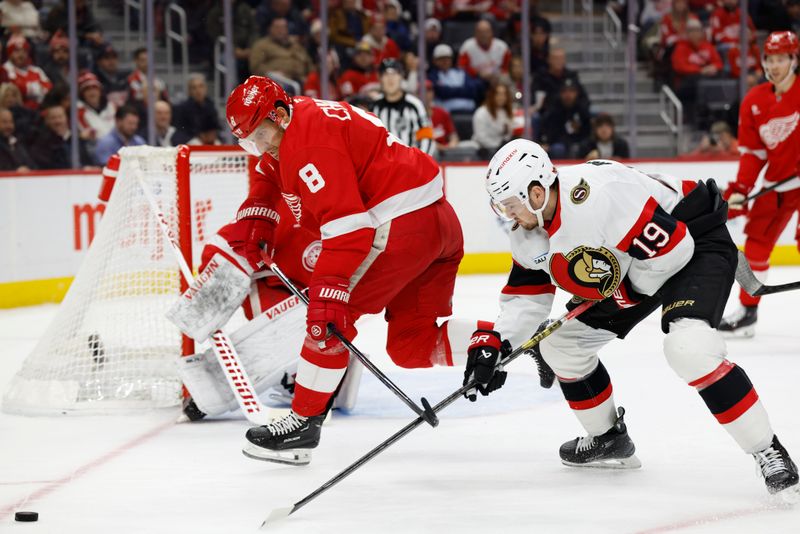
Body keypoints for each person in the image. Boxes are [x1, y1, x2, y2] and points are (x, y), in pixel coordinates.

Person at [465, 138, 799, 498]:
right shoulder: (528, 233)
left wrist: (623, 293)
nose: (508, 215)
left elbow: (673, 251)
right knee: (561, 346)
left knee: (689, 348)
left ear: (536, 192)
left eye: (510, 204)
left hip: (693, 241)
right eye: (500, 207)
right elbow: (526, 298)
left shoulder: (597, 196)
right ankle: (609, 439)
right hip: (633, 267)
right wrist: (495, 344)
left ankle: (767, 449)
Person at [225, 76, 471, 465]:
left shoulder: (308, 145)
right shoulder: (296, 117)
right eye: (248, 140)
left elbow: (348, 228)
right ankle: (504, 340)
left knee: (327, 322)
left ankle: (303, 424)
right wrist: (260, 211)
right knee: (411, 344)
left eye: (261, 133)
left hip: (400, 226)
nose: (259, 146)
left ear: (279, 115)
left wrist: (330, 288)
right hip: (434, 222)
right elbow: (271, 167)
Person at [719, 31, 800, 337]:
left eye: (781, 58)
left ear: (793, 60)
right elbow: (753, 153)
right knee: (755, 246)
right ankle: (748, 311)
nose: (774, 65)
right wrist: (741, 188)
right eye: (770, 59)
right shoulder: (754, 100)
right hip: (779, 185)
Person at [371, 58, 434, 155]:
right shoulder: (374, 106)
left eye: (394, 74)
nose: (390, 79)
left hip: (410, 166)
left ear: (401, 76)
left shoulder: (415, 105)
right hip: (381, 167)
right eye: (386, 74)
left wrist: (418, 164)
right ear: (380, 78)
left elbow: (427, 138)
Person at [248, 17, 313, 83]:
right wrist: (273, 74)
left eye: (284, 27)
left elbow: (309, 64)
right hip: (277, 82)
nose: (281, 30)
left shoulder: (296, 45)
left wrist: (311, 78)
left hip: (302, 80)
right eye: (277, 27)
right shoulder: (261, 45)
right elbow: (255, 67)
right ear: (270, 29)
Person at [28, 105, 93, 169]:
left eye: (60, 117)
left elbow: (87, 161)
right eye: (53, 118)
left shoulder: (76, 139)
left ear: (66, 118)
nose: (58, 121)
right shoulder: (41, 142)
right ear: (47, 121)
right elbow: (45, 165)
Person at [1, 34, 52, 110]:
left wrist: (26, 88)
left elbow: (49, 89)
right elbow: (16, 90)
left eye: (24, 51)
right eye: (16, 51)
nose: (21, 55)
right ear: (9, 53)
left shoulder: (36, 70)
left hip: (38, 109)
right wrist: (37, 89)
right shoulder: (4, 70)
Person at [427, 44, 482, 114]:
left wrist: (450, 91)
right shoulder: (432, 75)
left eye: (447, 58)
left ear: (451, 59)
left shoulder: (460, 72)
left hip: (468, 109)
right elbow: (442, 92)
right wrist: (462, 90)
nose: (445, 61)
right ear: (435, 61)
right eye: (441, 59)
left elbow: (472, 90)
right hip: (447, 112)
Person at [172, 74, 221, 145]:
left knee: (218, 144)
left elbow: (216, 126)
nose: (198, 90)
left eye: (201, 86)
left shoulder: (210, 105)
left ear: (205, 88)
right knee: (196, 143)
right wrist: (198, 135)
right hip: (190, 140)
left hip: (208, 140)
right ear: (189, 91)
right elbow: (180, 131)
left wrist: (213, 134)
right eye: (194, 88)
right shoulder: (182, 108)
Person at [471, 82, 514, 158]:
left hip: (501, 149)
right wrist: (498, 146)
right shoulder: (481, 112)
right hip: (482, 149)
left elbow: (508, 135)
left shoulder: (506, 113)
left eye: (504, 94)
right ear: (492, 95)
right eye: (499, 94)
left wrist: (503, 145)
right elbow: (481, 137)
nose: (502, 97)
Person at [0, 106, 33, 171]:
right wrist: (15, 171)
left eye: (11, 122)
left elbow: (31, 164)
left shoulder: (16, 142)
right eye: (4, 122)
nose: (9, 126)